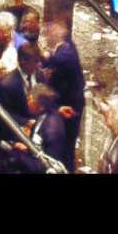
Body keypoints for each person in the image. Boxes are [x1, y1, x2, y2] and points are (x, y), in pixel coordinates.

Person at [40, 20, 86, 157]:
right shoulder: (65, 46)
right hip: (69, 101)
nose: (47, 35)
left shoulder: (66, 54)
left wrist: (45, 56)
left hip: (70, 106)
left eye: (49, 31)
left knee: (66, 145)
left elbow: (48, 61)